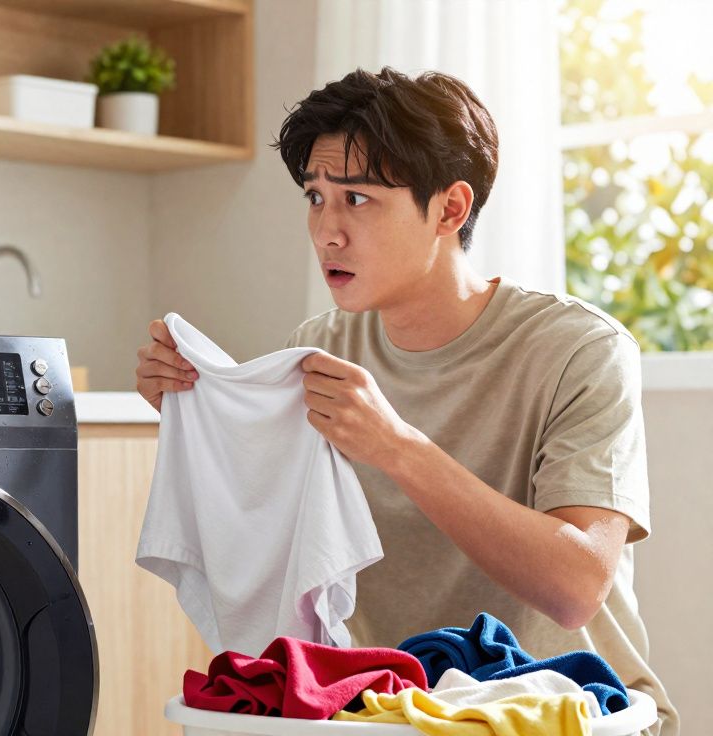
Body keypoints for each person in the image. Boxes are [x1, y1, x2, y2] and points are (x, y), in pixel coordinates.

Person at [134, 67, 677, 734]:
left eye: (357, 200)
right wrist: (206, 421)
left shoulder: (579, 351)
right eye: (313, 196)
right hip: (390, 715)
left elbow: (576, 587)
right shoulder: (320, 347)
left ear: (449, 209)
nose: (326, 232)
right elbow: (282, 549)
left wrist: (397, 448)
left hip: (574, 714)